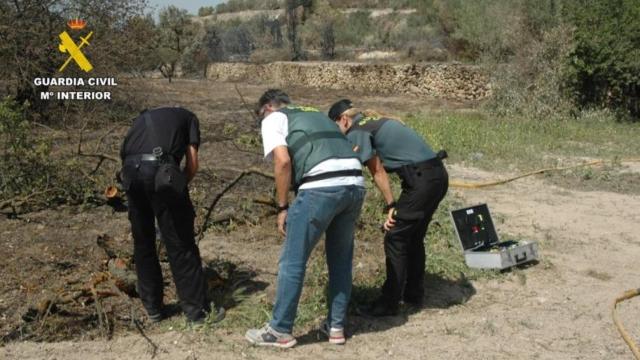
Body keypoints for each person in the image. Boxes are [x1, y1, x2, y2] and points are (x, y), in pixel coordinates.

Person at [245, 90, 366, 348]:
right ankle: (336, 328)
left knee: (293, 260)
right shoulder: (313, 113)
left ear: (267, 108)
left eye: (259, 118)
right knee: (341, 259)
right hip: (355, 183)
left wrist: (282, 207)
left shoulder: (273, 118)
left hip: (321, 187)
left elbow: (283, 162)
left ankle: (280, 330)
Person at [328, 99, 449, 316]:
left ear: (343, 119)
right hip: (437, 175)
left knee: (395, 236)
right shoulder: (374, 120)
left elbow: (378, 171)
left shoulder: (357, 129)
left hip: (421, 180)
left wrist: (391, 204)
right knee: (412, 236)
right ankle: (413, 294)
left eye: (336, 126)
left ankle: (389, 302)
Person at [119, 107, 218, 324]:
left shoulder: (140, 120)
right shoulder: (190, 117)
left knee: (143, 242)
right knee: (180, 243)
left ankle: (153, 308)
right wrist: (178, 187)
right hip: (159, 171)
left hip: (130, 173)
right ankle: (197, 312)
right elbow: (192, 164)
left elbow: (124, 154)